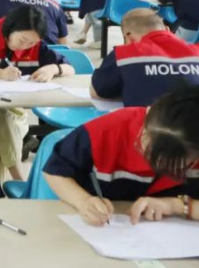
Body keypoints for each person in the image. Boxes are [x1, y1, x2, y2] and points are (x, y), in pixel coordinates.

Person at [43, 87, 199, 227]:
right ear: (147, 116)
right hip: (106, 229)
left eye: (173, 162)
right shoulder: (106, 131)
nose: (155, 163)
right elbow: (55, 171)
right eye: (148, 149)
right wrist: (83, 201)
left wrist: (178, 206)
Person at [0, 6, 73, 182]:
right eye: (22, 40)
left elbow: (70, 68)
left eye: (31, 43)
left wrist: (53, 69)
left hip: (15, 109)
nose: (26, 46)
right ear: (9, 28)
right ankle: (18, 179)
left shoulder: (36, 45)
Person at [91, 9, 199, 106]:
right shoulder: (196, 51)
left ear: (128, 36)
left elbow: (96, 92)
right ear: (167, 30)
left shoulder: (123, 55)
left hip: (151, 120)